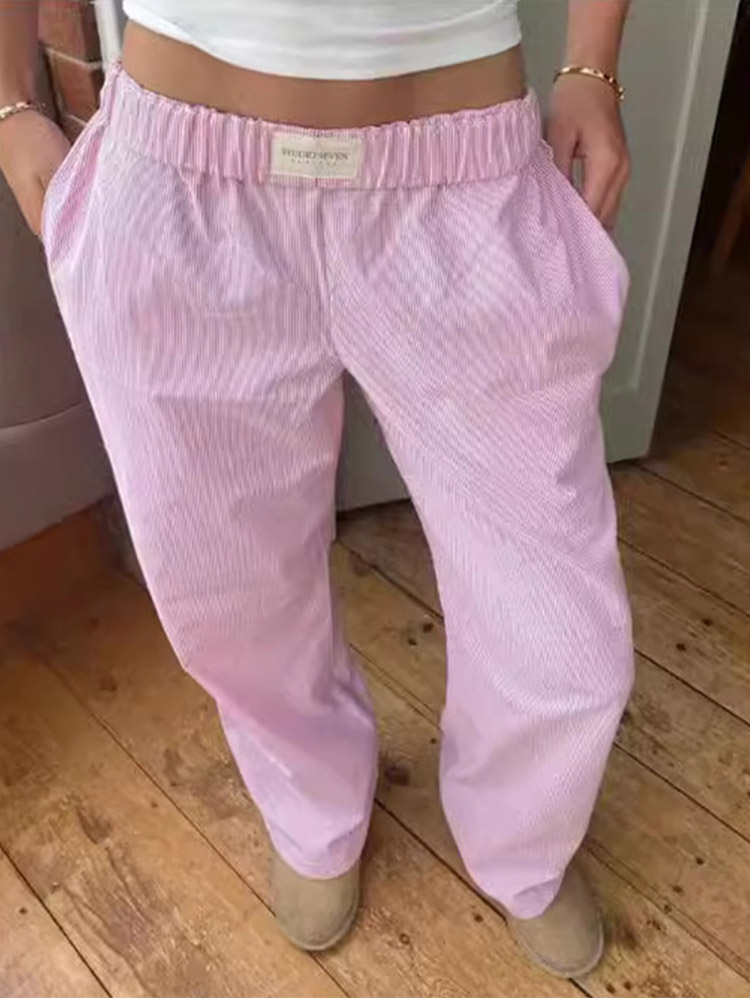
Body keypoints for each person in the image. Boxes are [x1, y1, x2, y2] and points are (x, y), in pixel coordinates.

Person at [0, 0, 633, 978]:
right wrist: (9, 101)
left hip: (466, 175)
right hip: (177, 184)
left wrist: (592, 63)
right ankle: (311, 805)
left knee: (557, 615)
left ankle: (524, 839)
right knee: (226, 589)